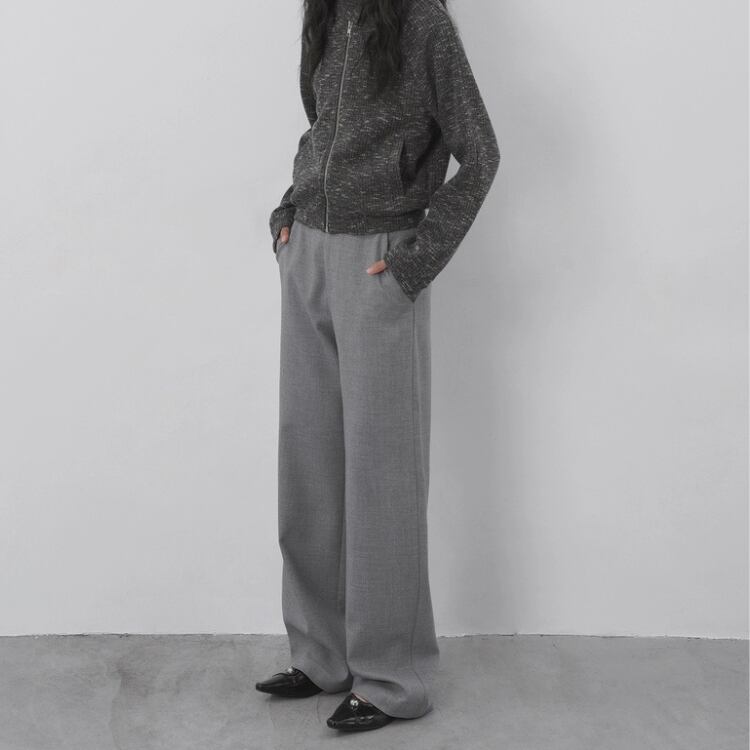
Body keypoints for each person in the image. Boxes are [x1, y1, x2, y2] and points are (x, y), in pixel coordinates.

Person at [255, 0, 500, 733]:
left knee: (382, 475)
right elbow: (322, 127)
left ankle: (393, 678)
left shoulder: (423, 23)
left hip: (380, 264)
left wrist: (413, 263)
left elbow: (481, 153)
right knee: (307, 460)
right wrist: (287, 215)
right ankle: (321, 655)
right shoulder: (326, 14)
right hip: (308, 253)